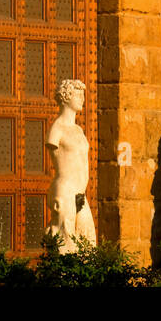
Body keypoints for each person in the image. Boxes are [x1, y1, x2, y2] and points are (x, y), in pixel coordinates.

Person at [45, 79, 96, 252]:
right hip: (65, 190)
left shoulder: (78, 130)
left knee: (87, 244)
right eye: (78, 94)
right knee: (65, 246)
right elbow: (52, 144)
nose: (82, 98)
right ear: (66, 97)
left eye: (83, 94)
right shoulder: (56, 129)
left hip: (80, 193)